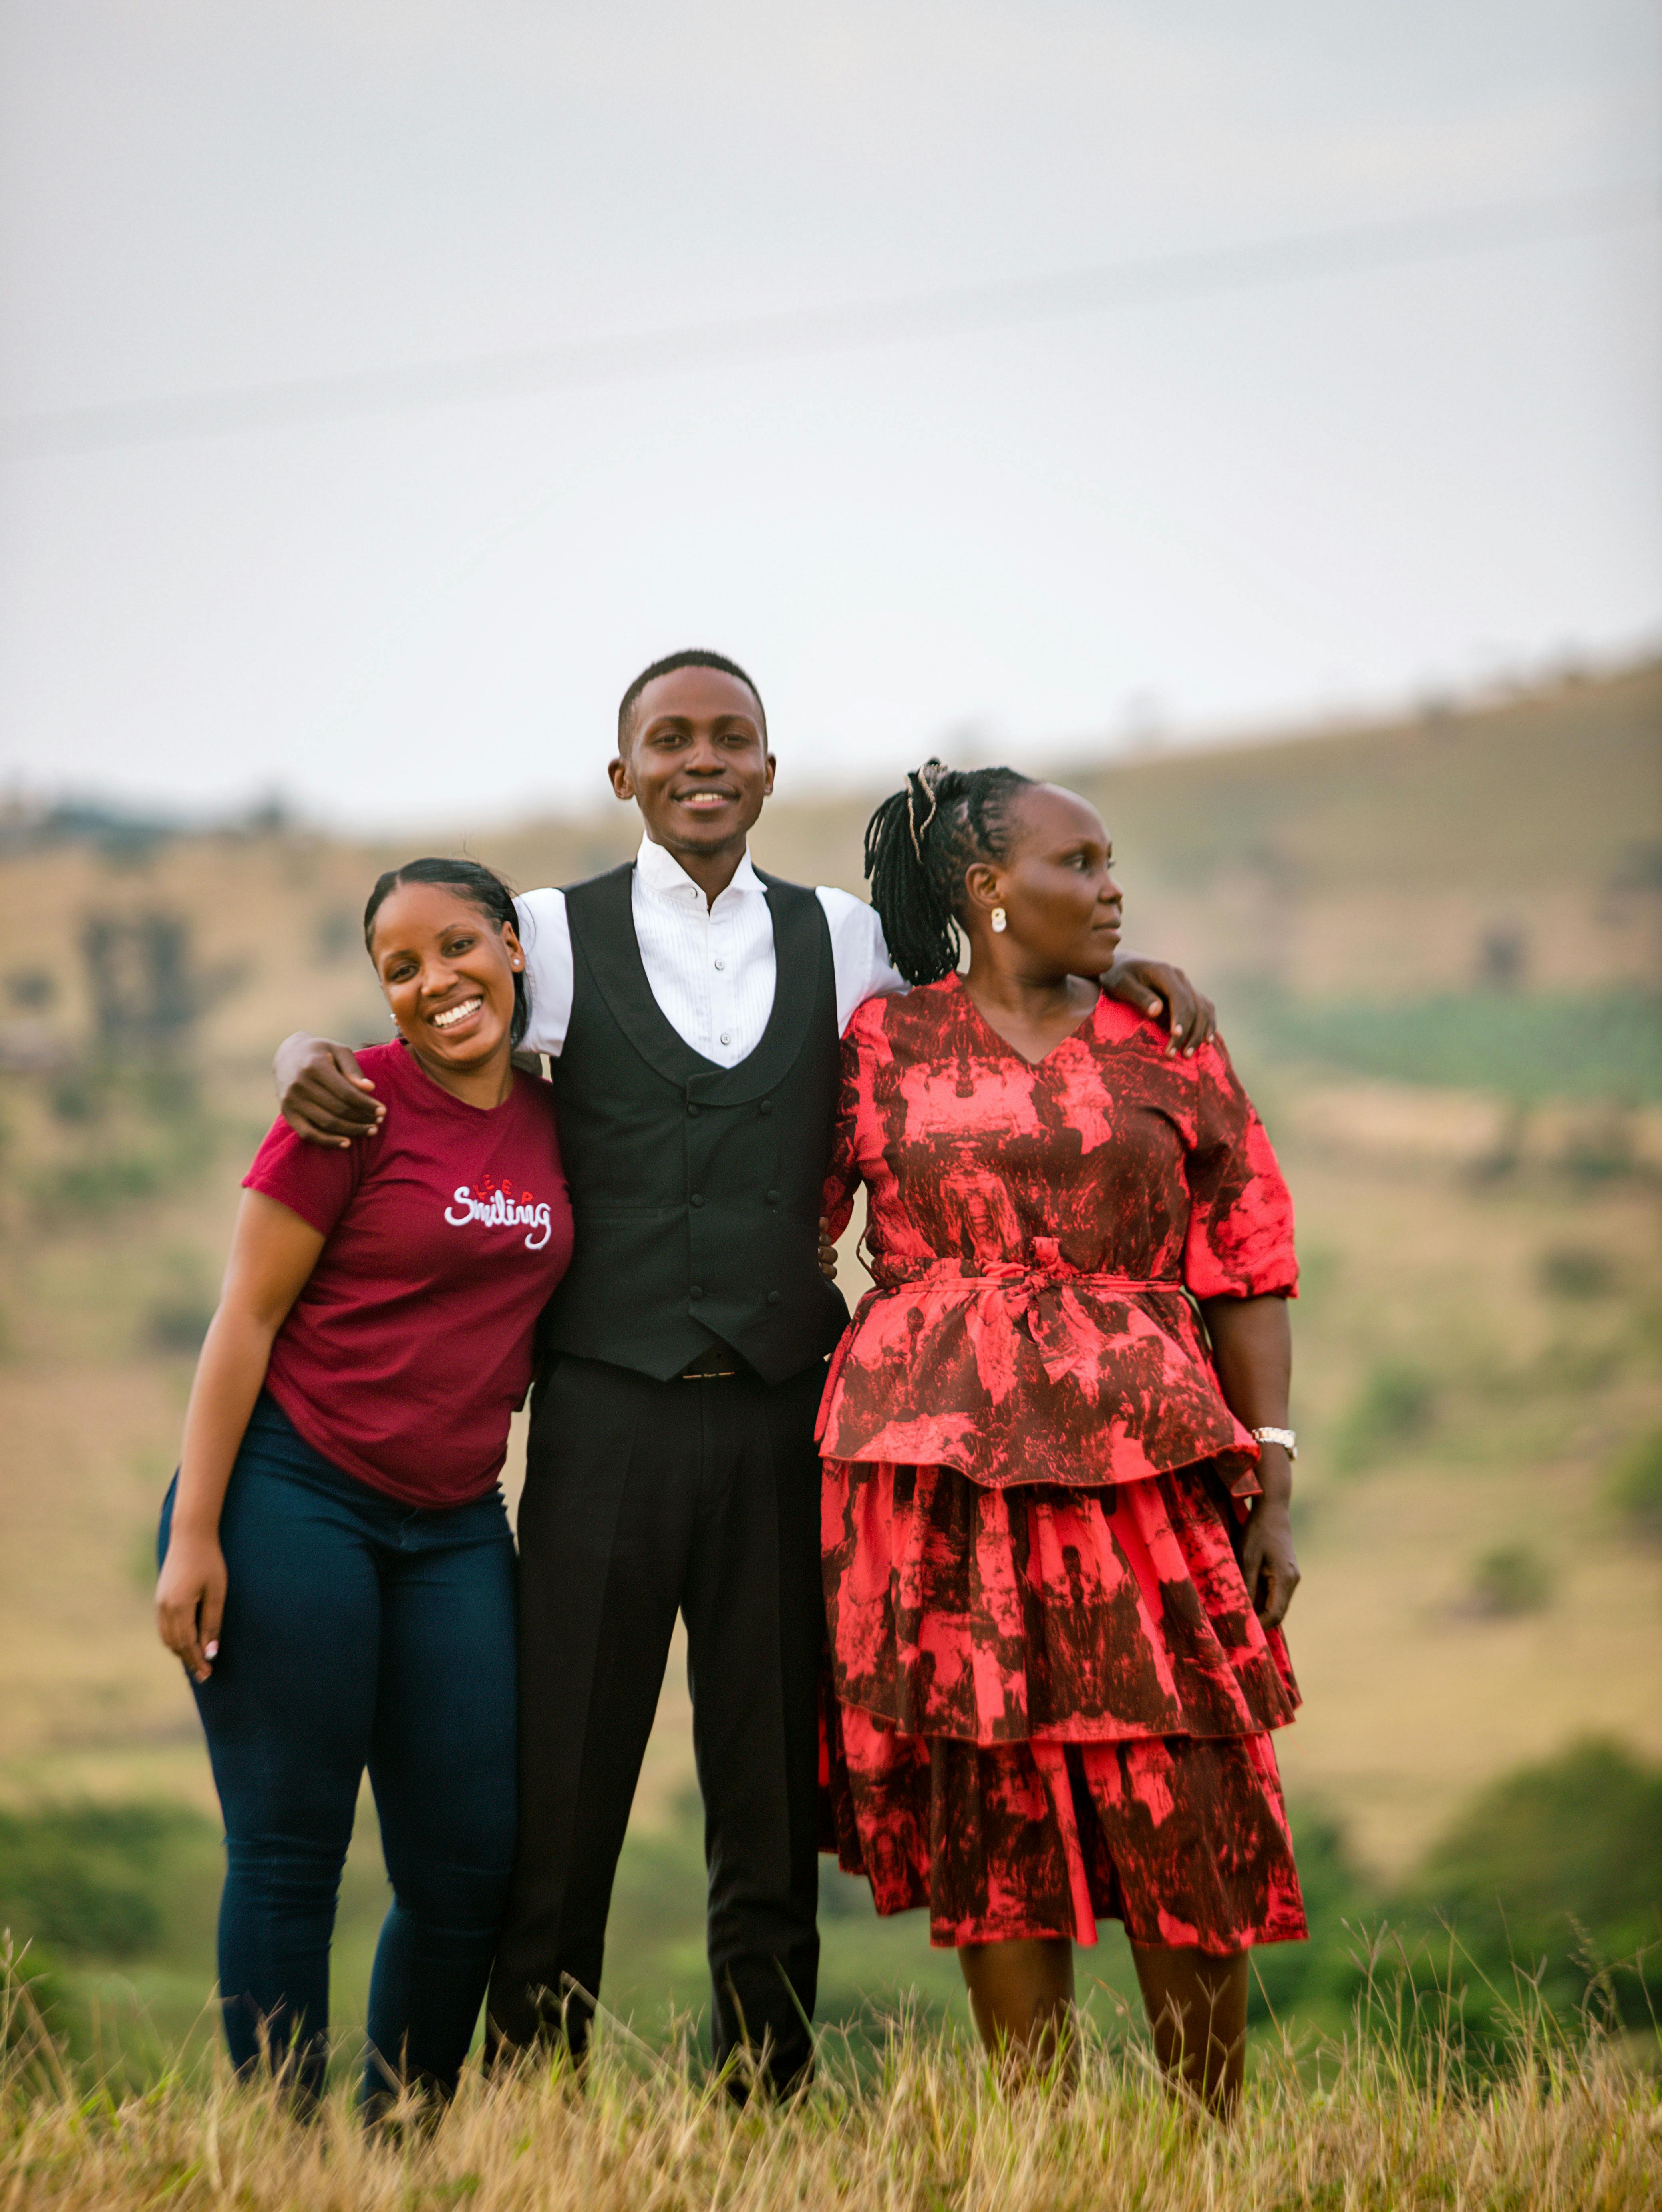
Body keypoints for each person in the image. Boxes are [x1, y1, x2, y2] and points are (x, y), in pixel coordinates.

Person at [273, 650, 1217, 2094]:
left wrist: (1122, 971)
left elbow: (1001, 980)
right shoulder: (549, 932)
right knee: (565, 1782)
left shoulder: (846, 940)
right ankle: (539, 2103)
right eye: (669, 740)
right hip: (601, 1414)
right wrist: (298, 1048)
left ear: (770, 773)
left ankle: (761, 2100)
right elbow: (420, 1010)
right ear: (624, 775)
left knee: (774, 1793)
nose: (700, 760)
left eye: (731, 740)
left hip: (795, 1420)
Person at [816, 760, 1304, 2109]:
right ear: (987, 891)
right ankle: (1045, 2155)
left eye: (1108, 862)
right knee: (997, 1809)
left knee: (1189, 1792)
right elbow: (797, 1233)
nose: (1110, 885)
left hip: (1146, 1477)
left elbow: (1248, 1260)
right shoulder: (882, 1045)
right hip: (944, 1490)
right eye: (1077, 865)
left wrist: (1272, 1481)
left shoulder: (1167, 1040)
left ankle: (1209, 2145)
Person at [155, 859, 572, 2114]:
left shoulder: (562, 1121)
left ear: (511, 947)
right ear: (382, 995)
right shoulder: (351, 1106)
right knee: (291, 1854)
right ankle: (286, 2156)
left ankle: (400, 2144)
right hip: (296, 1496)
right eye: (401, 968)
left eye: (457, 948)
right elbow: (245, 1320)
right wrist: (194, 1537)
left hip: (453, 1525)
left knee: (466, 1866)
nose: (436, 982)